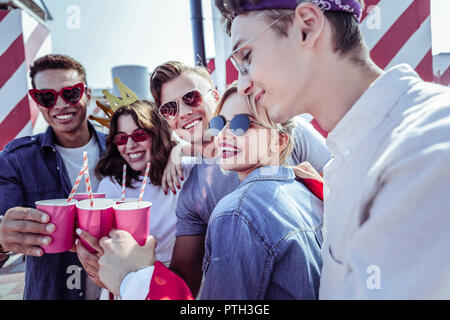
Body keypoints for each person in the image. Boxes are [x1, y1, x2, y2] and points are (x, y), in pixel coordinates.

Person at [215, 0, 450, 299]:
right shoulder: (348, 158)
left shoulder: (423, 149)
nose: (243, 84)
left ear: (307, 27)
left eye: (246, 57)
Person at [98, 83, 324, 299]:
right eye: (219, 123)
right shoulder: (303, 188)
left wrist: (133, 278)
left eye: (241, 124)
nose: (224, 134)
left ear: (279, 141)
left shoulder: (235, 213)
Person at [148, 61, 331, 296]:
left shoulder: (284, 130)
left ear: (214, 95)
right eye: (170, 109)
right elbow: (185, 279)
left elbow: (346, 182)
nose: (183, 113)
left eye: (191, 98)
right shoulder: (192, 193)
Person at [0, 54, 107, 299]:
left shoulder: (121, 149)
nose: (59, 105)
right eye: (46, 97)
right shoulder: (17, 160)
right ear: (37, 102)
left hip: (117, 291)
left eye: (70, 93)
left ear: (87, 94)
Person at [75, 100, 196, 296]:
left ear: (157, 134)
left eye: (139, 135)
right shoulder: (112, 185)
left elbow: (216, 153)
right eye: (121, 139)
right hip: (124, 284)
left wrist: (178, 150)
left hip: (175, 283)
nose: (130, 146)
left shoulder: (185, 170)